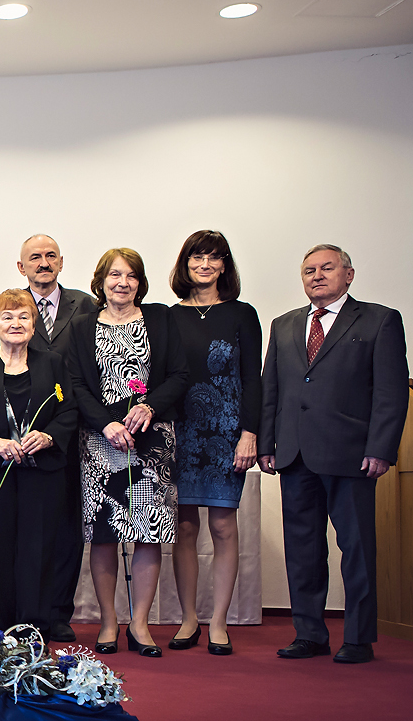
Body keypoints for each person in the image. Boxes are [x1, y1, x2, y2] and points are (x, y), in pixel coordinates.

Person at [260, 244, 406, 664]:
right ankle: (309, 634)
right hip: (294, 455)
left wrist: (381, 448)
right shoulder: (284, 324)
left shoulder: (379, 320)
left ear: (349, 275)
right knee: (302, 551)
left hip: (352, 455)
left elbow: (391, 392)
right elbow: (272, 389)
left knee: (357, 549)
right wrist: (268, 444)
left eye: (327, 268)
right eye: (309, 270)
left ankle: (358, 638)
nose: (317, 275)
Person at [65, 247, 187, 658]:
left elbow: (180, 374)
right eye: (115, 275)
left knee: (150, 532)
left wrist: (149, 407)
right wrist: (107, 423)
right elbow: (76, 384)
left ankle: (140, 624)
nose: (123, 282)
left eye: (131, 275)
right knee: (104, 534)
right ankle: (108, 622)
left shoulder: (161, 318)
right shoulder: (82, 325)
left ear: (140, 282)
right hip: (100, 440)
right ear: (101, 281)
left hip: (152, 439)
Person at [0, 289, 76, 637]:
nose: (16, 323)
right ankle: (2, 629)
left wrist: (48, 436)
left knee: (38, 551)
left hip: (42, 476)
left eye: (24, 316)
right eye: (7, 317)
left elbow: (68, 410)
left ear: (34, 325)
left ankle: (34, 628)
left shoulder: (52, 363)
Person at [166, 231, 261, 656]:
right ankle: (189, 619)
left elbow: (253, 379)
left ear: (224, 265)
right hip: (179, 433)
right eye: (196, 257)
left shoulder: (242, 313)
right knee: (184, 527)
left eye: (213, 257)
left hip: (227, 433)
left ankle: (219, 621)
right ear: (185, 264)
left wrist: (249, 434)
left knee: (223, 526)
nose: (204, 264)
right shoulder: (168, 316)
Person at [15, 234, 97, 642]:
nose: (43, 263)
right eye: (35, 257)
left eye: (50, 256)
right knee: (27, 529)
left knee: (66, 528)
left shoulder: (86, 305)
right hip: (21, 438)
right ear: (21, 267)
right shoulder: (11, 305)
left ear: (61, 263)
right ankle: (24, 611)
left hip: (73, 433)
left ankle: (59, 613)